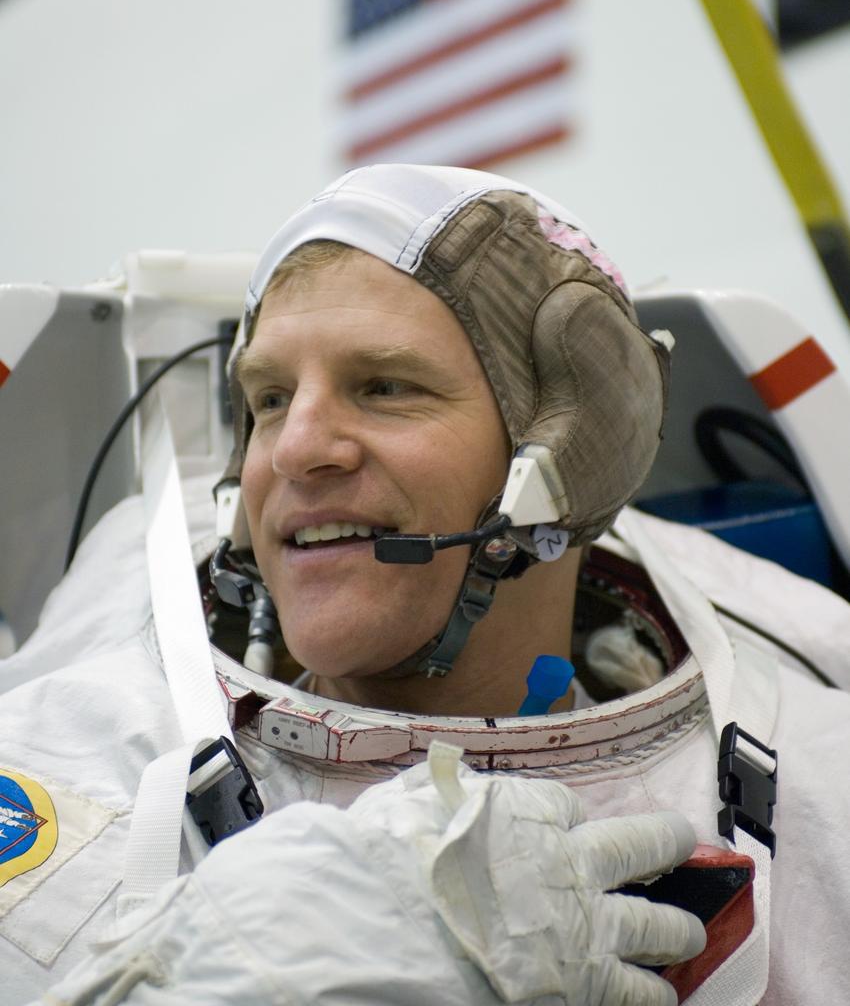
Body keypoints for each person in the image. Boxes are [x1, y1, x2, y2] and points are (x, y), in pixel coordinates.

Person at [1, 164, 849, 1006]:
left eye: (385, 388)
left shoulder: (822, 792)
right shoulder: (69, 768)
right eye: (270, 398)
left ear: (576, 455)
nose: (295, 450)